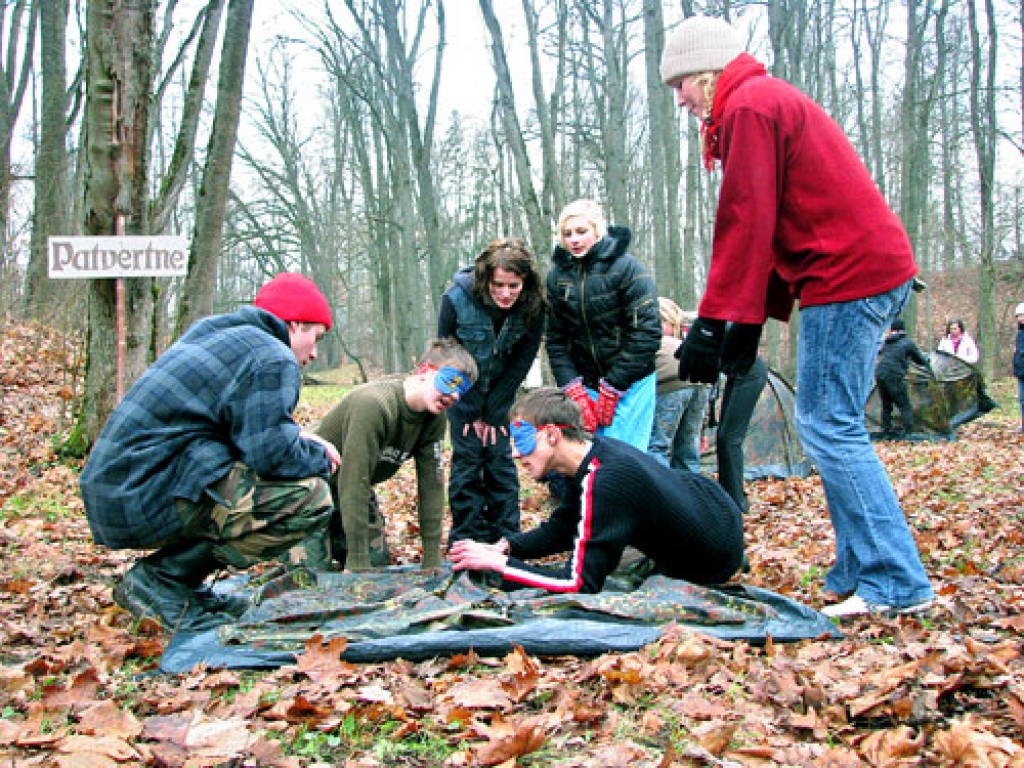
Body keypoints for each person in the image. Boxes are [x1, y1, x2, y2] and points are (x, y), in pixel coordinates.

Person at [660, 16, 935, 618]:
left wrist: (713, 322)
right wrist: (746, 324)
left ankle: (896, 583)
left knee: (829, 425)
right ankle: (860, 570)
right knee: (829, 424)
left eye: (679, 83)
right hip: (856, 272)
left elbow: (746, 220)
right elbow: (772, 221)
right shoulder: (759, 100)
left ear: (705, 72)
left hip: (848, 276)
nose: (678, 99)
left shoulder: (749, 107)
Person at [79, 273, 342, 630]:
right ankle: (163, 579)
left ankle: (180, 585)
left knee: (235, 475)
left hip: (118, 489)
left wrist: (301, 438)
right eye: (316, 338)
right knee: (310, 498)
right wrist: (321, 459)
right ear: (294, 325)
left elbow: (242, 430)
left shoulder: (219, 334)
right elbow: (271, 456)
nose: (313, 354)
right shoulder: (273, 356)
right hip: (146, 492)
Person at [448, 387, 745, 593]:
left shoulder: (605, 480)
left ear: (552, 434)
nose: (515, 454)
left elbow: (579, 584)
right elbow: (564, 528)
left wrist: (499, 565)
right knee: (597, 548)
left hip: (713, 557)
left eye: (522, 441)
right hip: (713, 510)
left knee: (595, 568)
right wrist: (506, 548)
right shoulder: (592, 454)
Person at [303, 338, 478, 572]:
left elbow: (432, 485)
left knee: (377, 566)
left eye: (462, 390)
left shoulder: (434, 418)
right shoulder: (374, 405)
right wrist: (357, 560)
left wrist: (432, 560)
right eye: (450, 382)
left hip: (354, 490)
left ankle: (338, 541)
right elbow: (353, 479)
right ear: (424, 371)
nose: (454, 396)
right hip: (308, 489)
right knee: (310, 577)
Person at [437, 239, 546, 548]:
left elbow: (522, 361)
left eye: (514, 286)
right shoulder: (455, 299)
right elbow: (447, 354)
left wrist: (495, 412)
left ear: (524, 283)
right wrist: (471, 410)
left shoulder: (534, 305)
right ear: (486, 280)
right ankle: (466, 540)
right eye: (498, 285)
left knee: (499, 463)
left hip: (501, 397)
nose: (506, 293)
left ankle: (506, 541)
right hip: (461, 394)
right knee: (467, 463)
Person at [546, 199, 661, 451]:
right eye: (567, 234)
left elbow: (647, 332)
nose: (574, 239)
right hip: (585, 381)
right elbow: (555, 339)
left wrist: (615, 384)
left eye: (581, 231)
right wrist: (571, 386)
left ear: (597, 230)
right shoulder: (557, 277)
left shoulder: (627, 268)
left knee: (626, 455)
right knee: (590, 454)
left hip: (632, 381)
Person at [649, 297, 708, 472]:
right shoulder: (684, 342)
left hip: (672, 385)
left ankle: (659, 488)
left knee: (657, 447)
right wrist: (703, 430)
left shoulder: (652, 342)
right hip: (701, 381)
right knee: (688, 452)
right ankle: (689, 488)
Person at [715, 348, 769, 513]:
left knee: (729, 438)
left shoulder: (704, 340)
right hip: (737, 374)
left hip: (749, 373)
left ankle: (736, 503)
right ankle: (727, 498)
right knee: (723, 438)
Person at [875, 318, 931, 439]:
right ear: (904, 329)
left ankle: (885, 431)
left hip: (880, 374)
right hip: (894, 375)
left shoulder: (887, 342)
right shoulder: (908, 342)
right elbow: (920, 360)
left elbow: (881, 354)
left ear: (892, 329)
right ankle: (908, 433)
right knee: (904, 405)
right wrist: (928, 362)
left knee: (886, 405)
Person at [1015, 303, 1024, 434]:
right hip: (1020, 371)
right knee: (1022, 400)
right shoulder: (1020, 333)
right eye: (1018, 316)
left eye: (1021, 315)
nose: (1020, 318)